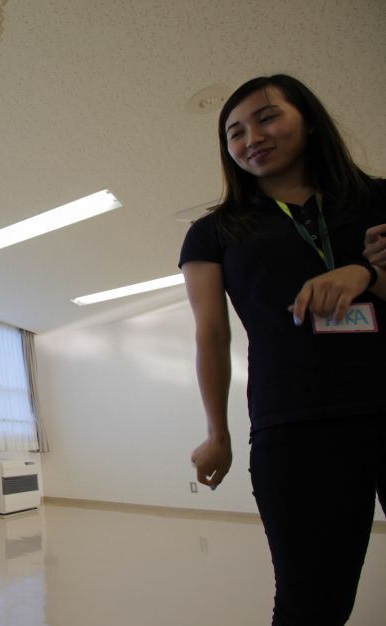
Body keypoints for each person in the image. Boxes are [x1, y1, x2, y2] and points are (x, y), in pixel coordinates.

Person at [179, 74, 386, 625]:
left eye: (267, 117)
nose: (252, 137)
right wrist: (217, 432)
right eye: (235, 132)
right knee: (311, 604)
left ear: (309, 119)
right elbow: (211, 334)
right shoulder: (214, 232)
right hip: (295, 426)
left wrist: (365, 273)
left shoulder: (379, 198)